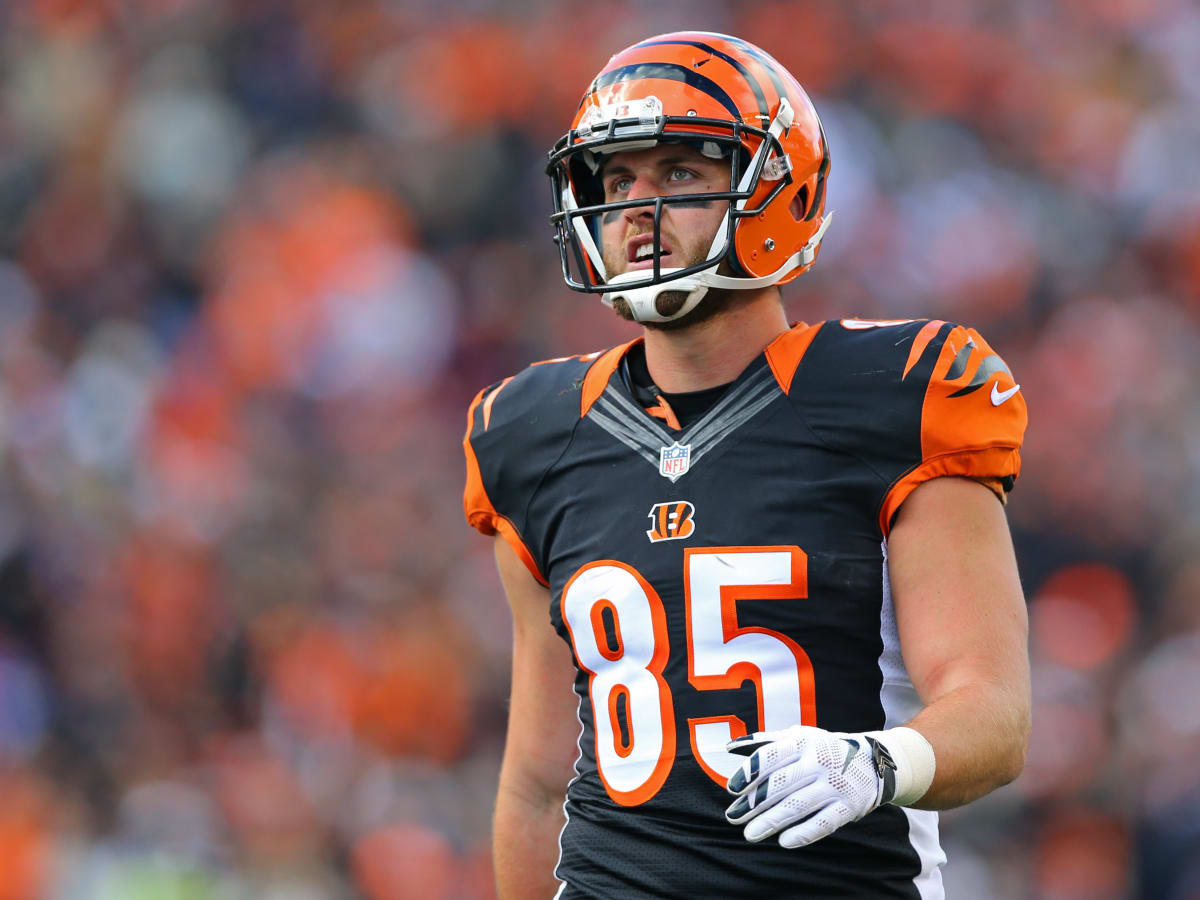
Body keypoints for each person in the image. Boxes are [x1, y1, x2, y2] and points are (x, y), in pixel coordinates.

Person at [463, 30, 1030, 899]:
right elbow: (539, 780)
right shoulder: (530, 433)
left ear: (777, 186)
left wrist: (874, 764)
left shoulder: (897, 393)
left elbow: (992, 715)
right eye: (616, 182)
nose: (635, 208)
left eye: (680, 174)